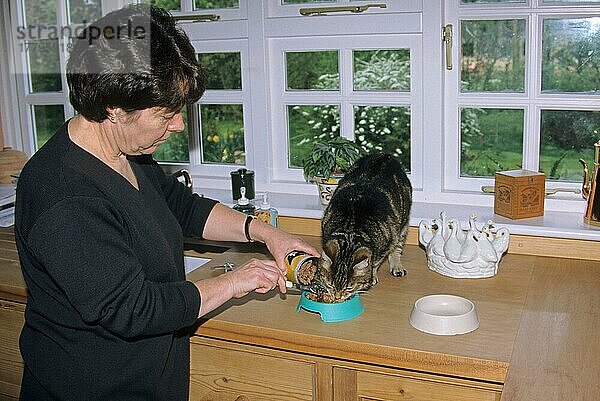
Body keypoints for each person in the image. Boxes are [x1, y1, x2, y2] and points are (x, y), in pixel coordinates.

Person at [14, 4, 319, 400]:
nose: (177, 125)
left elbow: (181, 206)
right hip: (93, 387)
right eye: (166, 113)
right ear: (114, 108)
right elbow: (133, 309)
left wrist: (265, 233)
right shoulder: (63, 196)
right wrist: (234, 281)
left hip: (148, 378)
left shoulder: (124, 152)